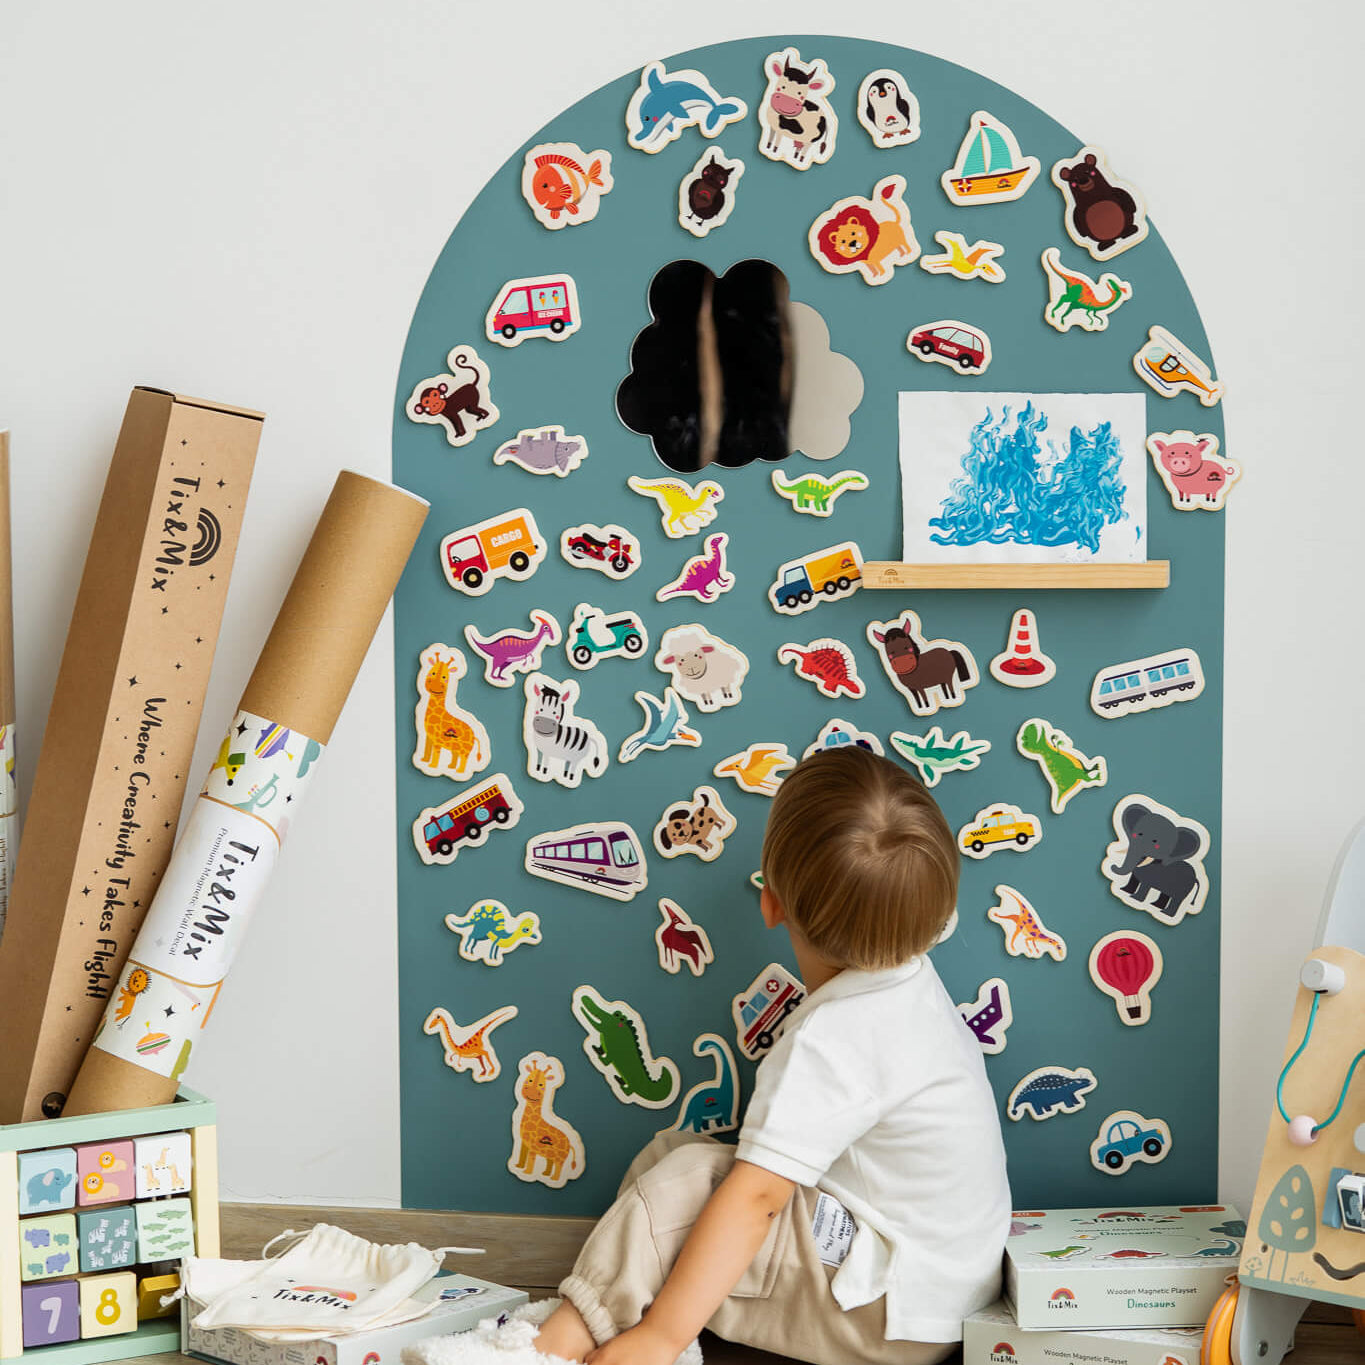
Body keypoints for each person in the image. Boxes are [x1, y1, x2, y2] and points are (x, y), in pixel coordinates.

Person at [534, 746, 1011, 1365]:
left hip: (883, 1316)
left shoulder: (831, 1039)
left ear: (770, 901)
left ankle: (558, 1346)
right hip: (939, 1295)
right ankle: (629, 1312)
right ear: (933, 915)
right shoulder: (910, 982)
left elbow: (759, 1198)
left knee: (694, 1181)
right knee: (672, 1159)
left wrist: (662, 1339)